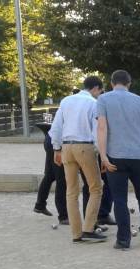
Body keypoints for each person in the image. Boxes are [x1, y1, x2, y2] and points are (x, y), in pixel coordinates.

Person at [97, 70, 140, 250]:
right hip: (139, 155)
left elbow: (102, 128)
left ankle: (123, 240)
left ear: (111, 82)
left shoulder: (103, 100)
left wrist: (103, 155)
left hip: (116, 156)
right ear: (129, 83)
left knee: (120, 199)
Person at [49, 75, 107, 243]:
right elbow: (97, 130)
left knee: (71, 191)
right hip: (85, 146)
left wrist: (56, 148)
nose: (100, 94)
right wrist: (102, 155)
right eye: (100, 91)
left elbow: (57, 126)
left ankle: (76, 233)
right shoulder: (93, 104)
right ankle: (89, 227)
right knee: (96, 187)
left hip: (66, 147)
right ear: (95, 88)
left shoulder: (66, 101)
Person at [33, 122, 68, 225]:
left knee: (50, 176)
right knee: (62, 181)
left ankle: (40, 205)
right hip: (57, 142)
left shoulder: (66, 106)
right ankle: (63, 216)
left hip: (50, 138)